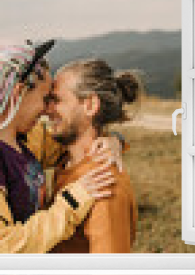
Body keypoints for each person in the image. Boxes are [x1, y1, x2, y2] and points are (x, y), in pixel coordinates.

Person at [0, 41, 122, 253]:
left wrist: (112, 140)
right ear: (18, 94)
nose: (47, 110)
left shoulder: (22, 140)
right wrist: (71, 202)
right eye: (45, 98)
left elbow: (77, 136)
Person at [46, 59, 140, 253]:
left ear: (90, 105)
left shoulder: (103, 184)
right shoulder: (65, 161)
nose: (48, 110)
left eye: (57, 100)